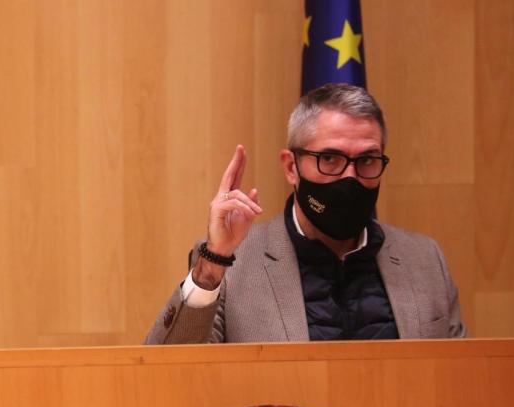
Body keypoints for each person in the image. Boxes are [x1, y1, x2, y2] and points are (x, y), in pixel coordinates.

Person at [145, 83, 465, 344]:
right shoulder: (232, 265)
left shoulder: (424, 260)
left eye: (367, 160)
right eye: (330, 159)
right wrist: (213, 263)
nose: (349, 177)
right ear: (291, 167)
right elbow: (167, 373)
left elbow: (461, 381)